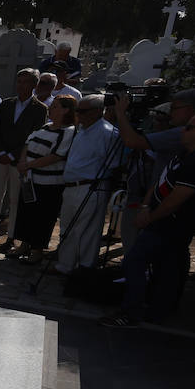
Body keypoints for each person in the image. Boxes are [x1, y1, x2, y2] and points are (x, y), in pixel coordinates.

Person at [101, 111, 195, 327]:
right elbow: (160, 181)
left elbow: (176, 199)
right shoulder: (185, 153)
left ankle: (131, 311)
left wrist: (149, 217)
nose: (183, 130)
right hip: (159, 219)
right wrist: (145, 206)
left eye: (189, 127)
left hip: (171, 224)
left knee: (135, 261)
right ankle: (156, 310)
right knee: (164, 268)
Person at [112, 87, 195, 252]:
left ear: (191, 109)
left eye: (175, 108)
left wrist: (120, 113)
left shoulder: (186, 134)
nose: (171, 113)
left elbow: (132, 141)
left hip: (167, 206)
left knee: (146, 253)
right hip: (184, 207)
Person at [53, 94, 122, 275]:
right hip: (71, 186)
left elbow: (113, 163)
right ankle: (65, 265)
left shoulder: (107, 133)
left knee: (86, 232)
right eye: (77, 110)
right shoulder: (82, 129)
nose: (78, 114)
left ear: (97, 112)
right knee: (67, 228)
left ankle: (82, 269)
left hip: (90, 186)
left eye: (82, 111)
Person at [0, 68, 49, 246]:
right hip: (0, 157)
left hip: (20, 160)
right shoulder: (6, 104)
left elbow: (35, 136)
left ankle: (12, 235)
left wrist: (13, 154)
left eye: (26, 82)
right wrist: (1, 152)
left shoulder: (40, 109)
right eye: (19, 81)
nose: (21, 86)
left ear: (34, 85)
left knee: (15, 199)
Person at [9, 95, 76, 264]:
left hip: (49, 184)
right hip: (30, 180)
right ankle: (24, 245)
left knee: (42, 218)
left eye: (55, 106)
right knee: (26, 214)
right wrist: (23, 163)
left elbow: (55, 156)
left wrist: (28, 165)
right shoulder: (46, 126)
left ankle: (37, 250)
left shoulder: (68, 132)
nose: (50, 109)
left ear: (66, 110)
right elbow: (28, 142)